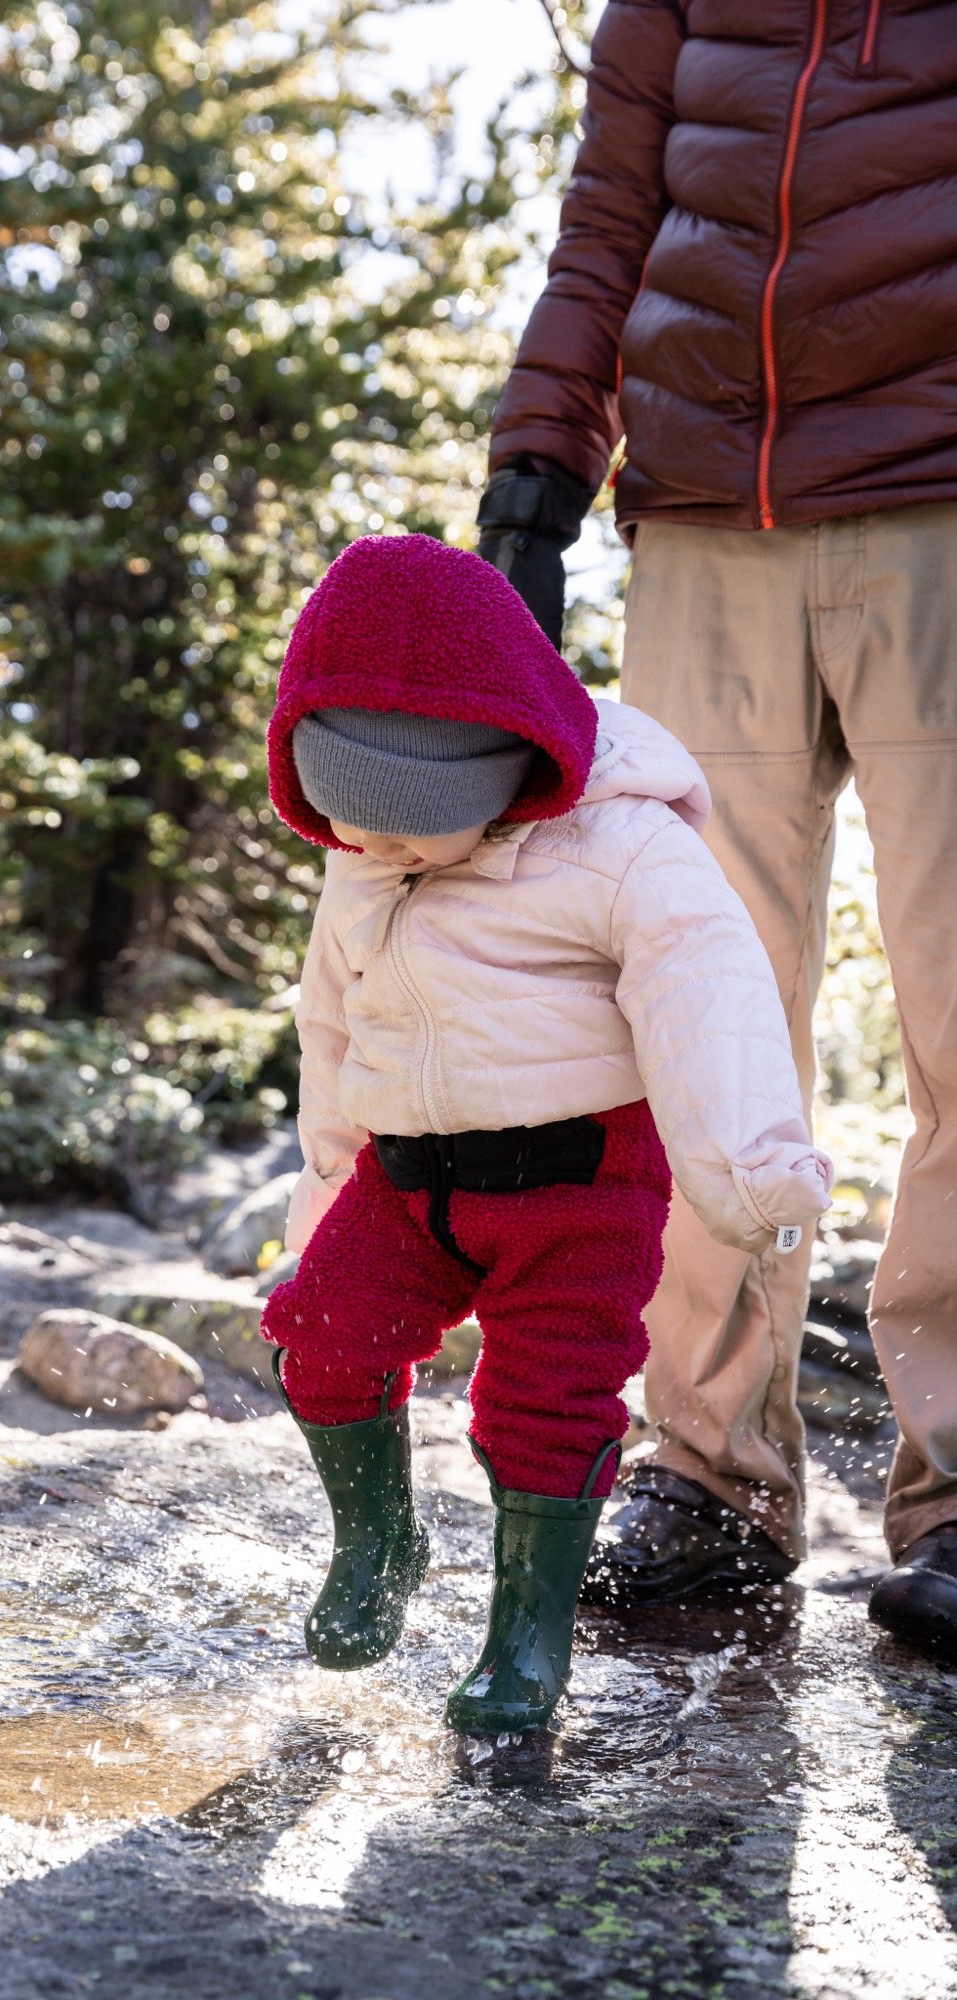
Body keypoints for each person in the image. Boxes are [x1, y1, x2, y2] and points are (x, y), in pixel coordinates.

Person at [476, 0, 957, 1658]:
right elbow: (604, 222)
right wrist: (536, 468)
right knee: (695, 1012)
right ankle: (704, 1475)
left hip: (939, 505)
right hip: (698, 530)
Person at [259, 532, 830, 1736]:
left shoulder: (624, 849)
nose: (375, 853)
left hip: (576, 1188)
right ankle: (379, 1547)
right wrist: (325, 1166)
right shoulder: (362, 857)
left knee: (546, 1402)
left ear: (504, 771)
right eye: (348, 826)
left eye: (411, 833)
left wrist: (745, 1164)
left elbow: (706, 989)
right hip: (408, 1178)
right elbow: (330, 1018)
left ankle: (526, 1635)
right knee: (319, 1330)